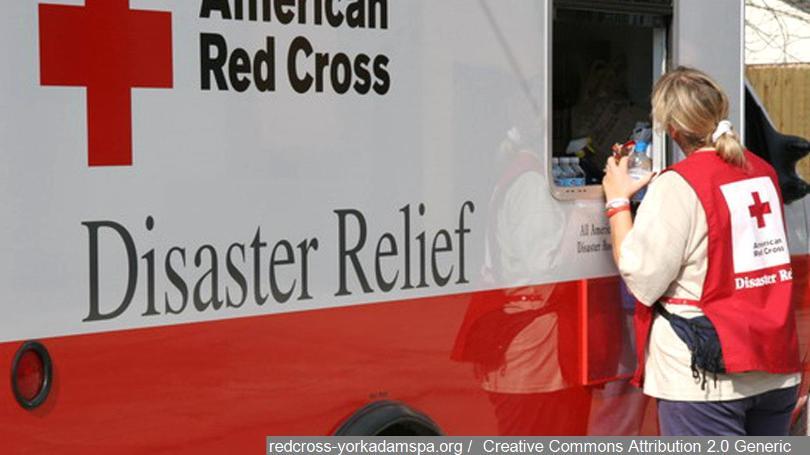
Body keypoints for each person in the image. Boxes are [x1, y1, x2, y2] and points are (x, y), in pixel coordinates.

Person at [602, 66, 802, 436]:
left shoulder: (678, 185)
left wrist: (617, 201)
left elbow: (641, 276)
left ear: (671, 129)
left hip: (706, 378)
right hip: (775, 368)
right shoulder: (761, 172)